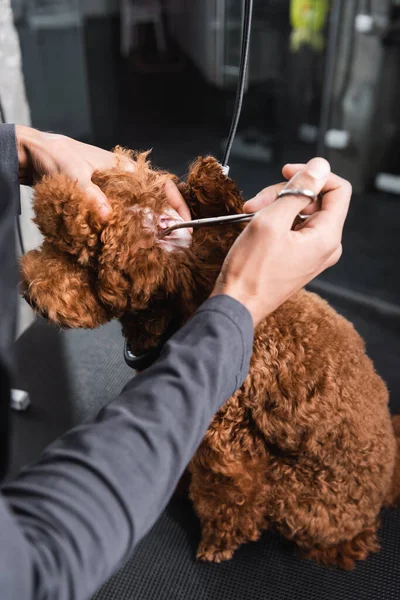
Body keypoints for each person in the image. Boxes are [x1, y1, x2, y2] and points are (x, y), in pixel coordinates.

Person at [0, 124, 351, 599]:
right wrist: (239, 305)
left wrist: (21, 144)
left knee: (231, 469)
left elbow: (229, 462)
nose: (30, 277)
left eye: (83, 265)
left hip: (324, 485)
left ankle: (228, 530)